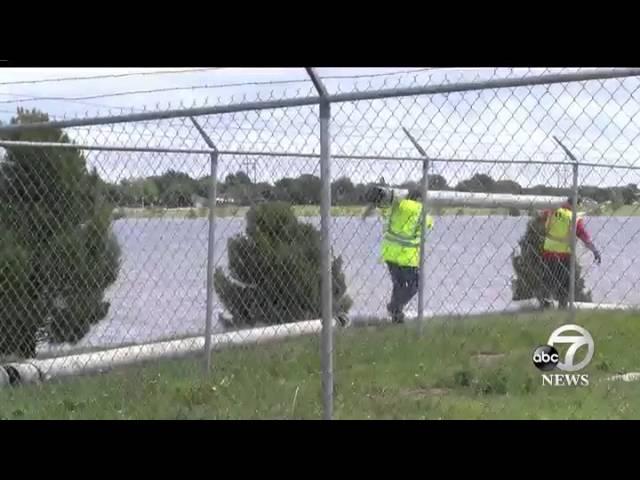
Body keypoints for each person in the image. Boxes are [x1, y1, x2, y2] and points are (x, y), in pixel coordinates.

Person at [364, 186, 434, 323]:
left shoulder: (396, 205)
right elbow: (429, 226)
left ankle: (396, 315)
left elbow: (383, 212)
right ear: (420, 199)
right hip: (407, 257)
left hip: (389, 253)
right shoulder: (422, 211)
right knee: (415, 285)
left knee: (398, 285)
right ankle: (395, 307)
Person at [539, 196, 601, 309]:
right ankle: (562, 307)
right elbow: (583, 235)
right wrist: (594, 250)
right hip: (564, 255)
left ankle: (545, 305)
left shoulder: (552, 210)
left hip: (548, 253)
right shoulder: (574, 218)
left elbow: (541, 217)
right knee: (565, 284)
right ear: (576, 205)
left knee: (547, 282)